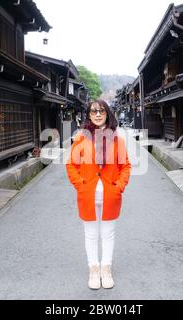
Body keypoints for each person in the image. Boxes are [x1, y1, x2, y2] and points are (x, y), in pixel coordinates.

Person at [66, 99, 131, 290]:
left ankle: (106, 268)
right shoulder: (81, 138)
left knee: (108, 233)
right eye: (93, 111)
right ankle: (93, 269)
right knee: (91, 234)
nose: (97, 114)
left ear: (107, 114)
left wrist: (119, 186)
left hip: (111, 194)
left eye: (101, 111)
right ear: (88, 115)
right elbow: (71, 165)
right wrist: (80, 185)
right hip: (88, 194)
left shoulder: (116, 139)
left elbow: (125, 166)